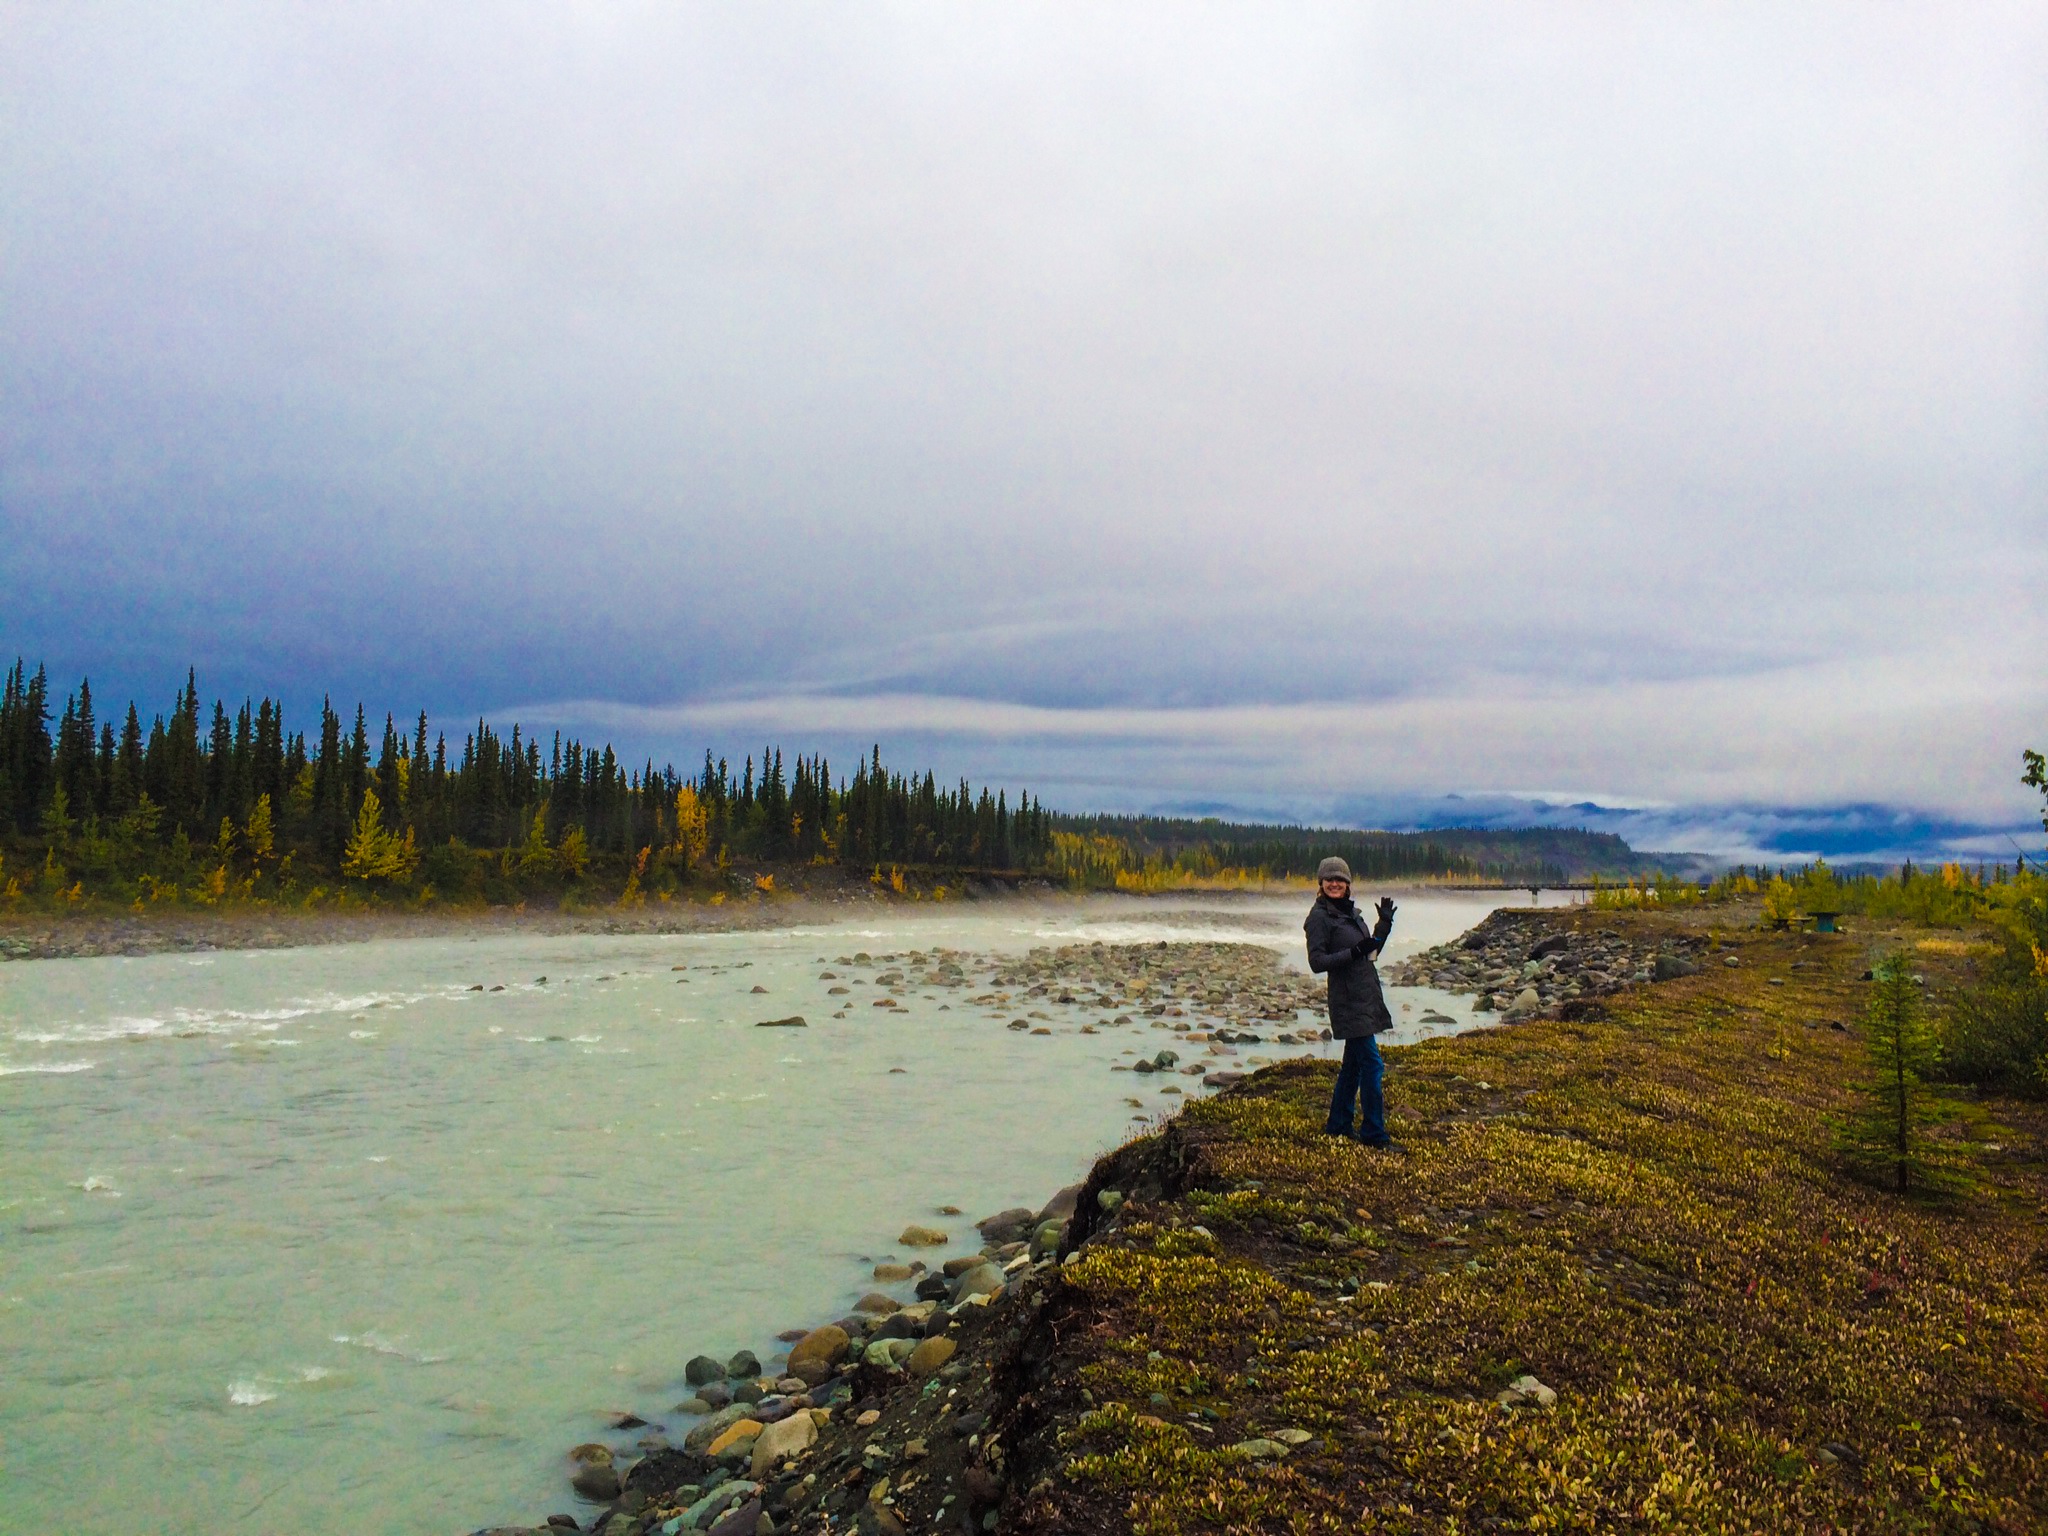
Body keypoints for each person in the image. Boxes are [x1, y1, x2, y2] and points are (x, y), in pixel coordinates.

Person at [1304, 857, 1397, 1147]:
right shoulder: (1319, 918)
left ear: (1348, 884)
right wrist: (1354, 952)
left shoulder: (1351, 914)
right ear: (1321, 883)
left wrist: (1384, 925)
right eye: (1329, 879)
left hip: (1365, 995)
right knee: (1372, 1065)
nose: (1335, 883)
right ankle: (1374, 1134)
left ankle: (1338, 1125)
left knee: (1353, 1067)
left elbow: (1370, 953)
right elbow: (1317, 962)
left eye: (1340, 879)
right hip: (1347, 1001)